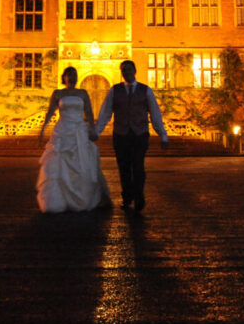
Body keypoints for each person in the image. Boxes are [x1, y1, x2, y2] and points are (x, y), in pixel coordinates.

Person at [93, 59, 168, 212]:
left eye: (129, 69)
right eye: (124, 70)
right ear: (122, 73)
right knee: (124, 168)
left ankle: (139, 196)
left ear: (135, 71)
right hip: (120, 135)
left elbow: (155, 114)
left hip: (140, 134)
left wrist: (163, 135)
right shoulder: (115, 90)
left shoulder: (145, 90)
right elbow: (105, 113)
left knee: (138, 165)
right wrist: (97, 132)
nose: (126, 72)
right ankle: (127, 197)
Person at [36, 66, 111, 213]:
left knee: (82, 163)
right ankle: (58, 199)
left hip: (79, 131)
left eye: (75, 74)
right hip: (63, 131)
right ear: (64, 77)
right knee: (59, 163)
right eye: (70, 75)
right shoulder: (58, 93)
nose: (73, 77)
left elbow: (89, 113)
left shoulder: (83, 93)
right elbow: (50, 112)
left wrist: (93, 129)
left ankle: (81, 196)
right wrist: (43, 129)